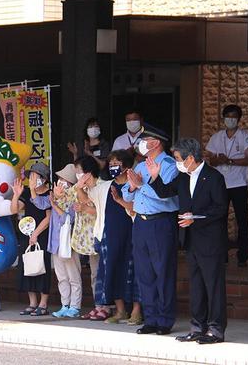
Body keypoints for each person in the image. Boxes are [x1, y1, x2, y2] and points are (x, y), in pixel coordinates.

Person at [146, 138, 228, 344]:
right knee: (197, 285)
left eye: (178, 158)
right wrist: (155, 176)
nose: (177, 163)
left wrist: (196, 218)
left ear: (190, 158)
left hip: (210, 240)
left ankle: (216, 329)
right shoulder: (183, 177)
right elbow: (166, 193)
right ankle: (197, 327)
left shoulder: (214, 177)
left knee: (213, 286)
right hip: (191, 240)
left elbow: (220, 209)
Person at [122, 124, 179, 335]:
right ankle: (151, 318)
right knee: (144, 273)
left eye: (145, 140)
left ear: (156, 143)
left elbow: (166, 195)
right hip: (141, 223)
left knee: (163, 272)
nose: (141, 143)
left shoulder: (169, 165)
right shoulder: (140, 166)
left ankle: (165, 319)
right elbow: (127, 194)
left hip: (161, 222)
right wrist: (131, 186)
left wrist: (141, 185)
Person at [80, 150, 142, 326]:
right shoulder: (105, 187)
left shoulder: (135, 185)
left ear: (127, 166)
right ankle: (120, 310)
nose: (113, 166)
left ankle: (136, 311)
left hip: (132, 234)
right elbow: (86, 200)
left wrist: (121, 200)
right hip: (110, 234)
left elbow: (136, 208)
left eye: (117, 163)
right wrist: (79, 187)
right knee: (112, 271)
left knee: (134, 271)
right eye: (111, 163)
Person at [55, 156, 106, 320]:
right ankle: (98, 306)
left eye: (79, 171)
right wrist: (58, 195)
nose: (77, 174)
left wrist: (83, 206)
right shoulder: (79, 186)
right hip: (84, 238)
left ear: (88, 172)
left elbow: (98, 209)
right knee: (94, 274)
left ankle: (105, 307)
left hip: (99, 236)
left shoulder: (102, 186)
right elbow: (64, 201)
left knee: (100, 273)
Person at [32, 163, 83, 318]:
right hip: (55, 243)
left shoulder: (75, 198)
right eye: (59, 179)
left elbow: (68, 219)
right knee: (62, 277)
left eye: (64, 180)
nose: (60, 182)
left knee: (73, 276)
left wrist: (55, 204)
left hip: (69, 243)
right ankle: (65, 305)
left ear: (70, 184)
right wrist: (32, 189)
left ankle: (75, 306)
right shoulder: (53, 195)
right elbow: (40, 204)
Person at [205, 104, 248, 267]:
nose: (230, 120)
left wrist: (230, 161)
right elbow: (211, 160)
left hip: (239, 184)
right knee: (220, 219)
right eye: (228, 117)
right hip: (221, 184)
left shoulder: (245, 136)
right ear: (223, 118)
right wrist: (219, 160)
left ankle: (243, 256)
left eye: (234, 117)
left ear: (238, 119)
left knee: (242, 219)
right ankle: (221, 254)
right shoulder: (216, 137)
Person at [11, 162, 52, 316]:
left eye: (35, 176)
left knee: (42, 267)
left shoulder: (50, 193)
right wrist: (16, 195)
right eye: (31, 176)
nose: (32, 179)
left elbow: (48, 218)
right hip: (27, 234)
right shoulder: (27, 192)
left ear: (44, 179)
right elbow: (14, 210)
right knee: (27, 266)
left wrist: (36, 234)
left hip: (42, 234)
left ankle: (43, 303)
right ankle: (32, 302)